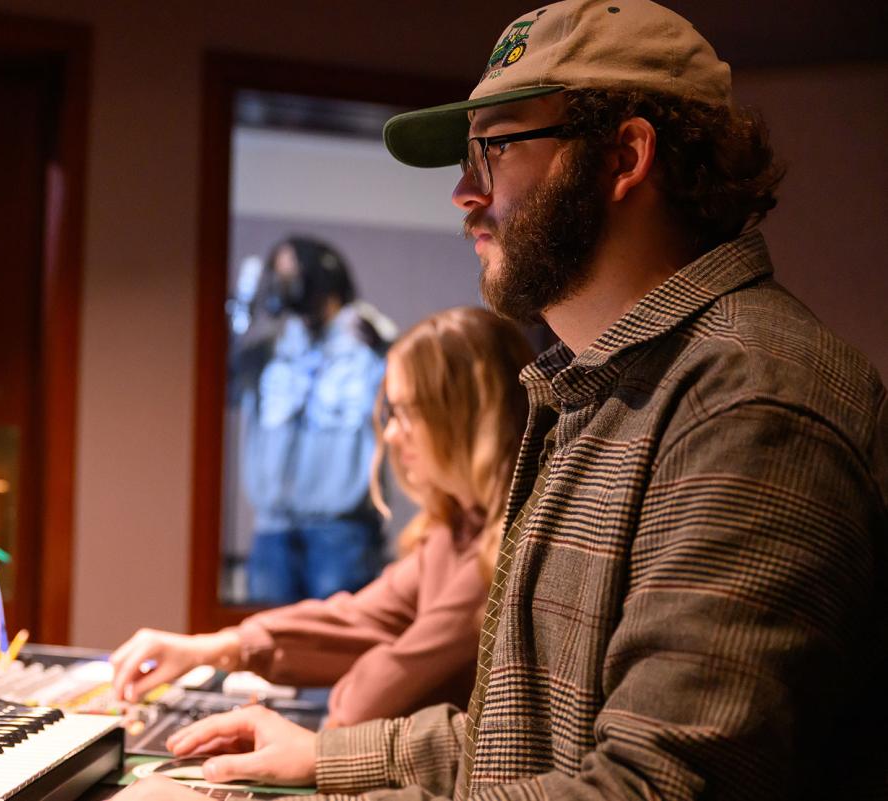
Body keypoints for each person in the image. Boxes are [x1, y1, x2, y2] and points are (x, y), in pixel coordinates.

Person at [119, 1, 888, 799]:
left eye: (494, 150)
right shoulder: (607, 390)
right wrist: (328, 759)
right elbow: (529, 737)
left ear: (624, 157)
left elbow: (651, 787)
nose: (461, 192)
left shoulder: (748, 403)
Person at [111, 307, 534, 727]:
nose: (389, 433)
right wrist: (214, 647)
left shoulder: (504, 548)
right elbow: (359, 617)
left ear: (466, 418)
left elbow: (361, 705)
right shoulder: (458, 528)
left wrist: (352, 678)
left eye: (408, 412)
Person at [232, 235, 391, 604]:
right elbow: (222, 379)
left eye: (291, 275)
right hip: (272, 529)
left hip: (342, 531)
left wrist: (384, 343)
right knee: (265, 640)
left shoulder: (369, 344)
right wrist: (245, 305)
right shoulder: (270, 351)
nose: (283, 286)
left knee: (336, 646)